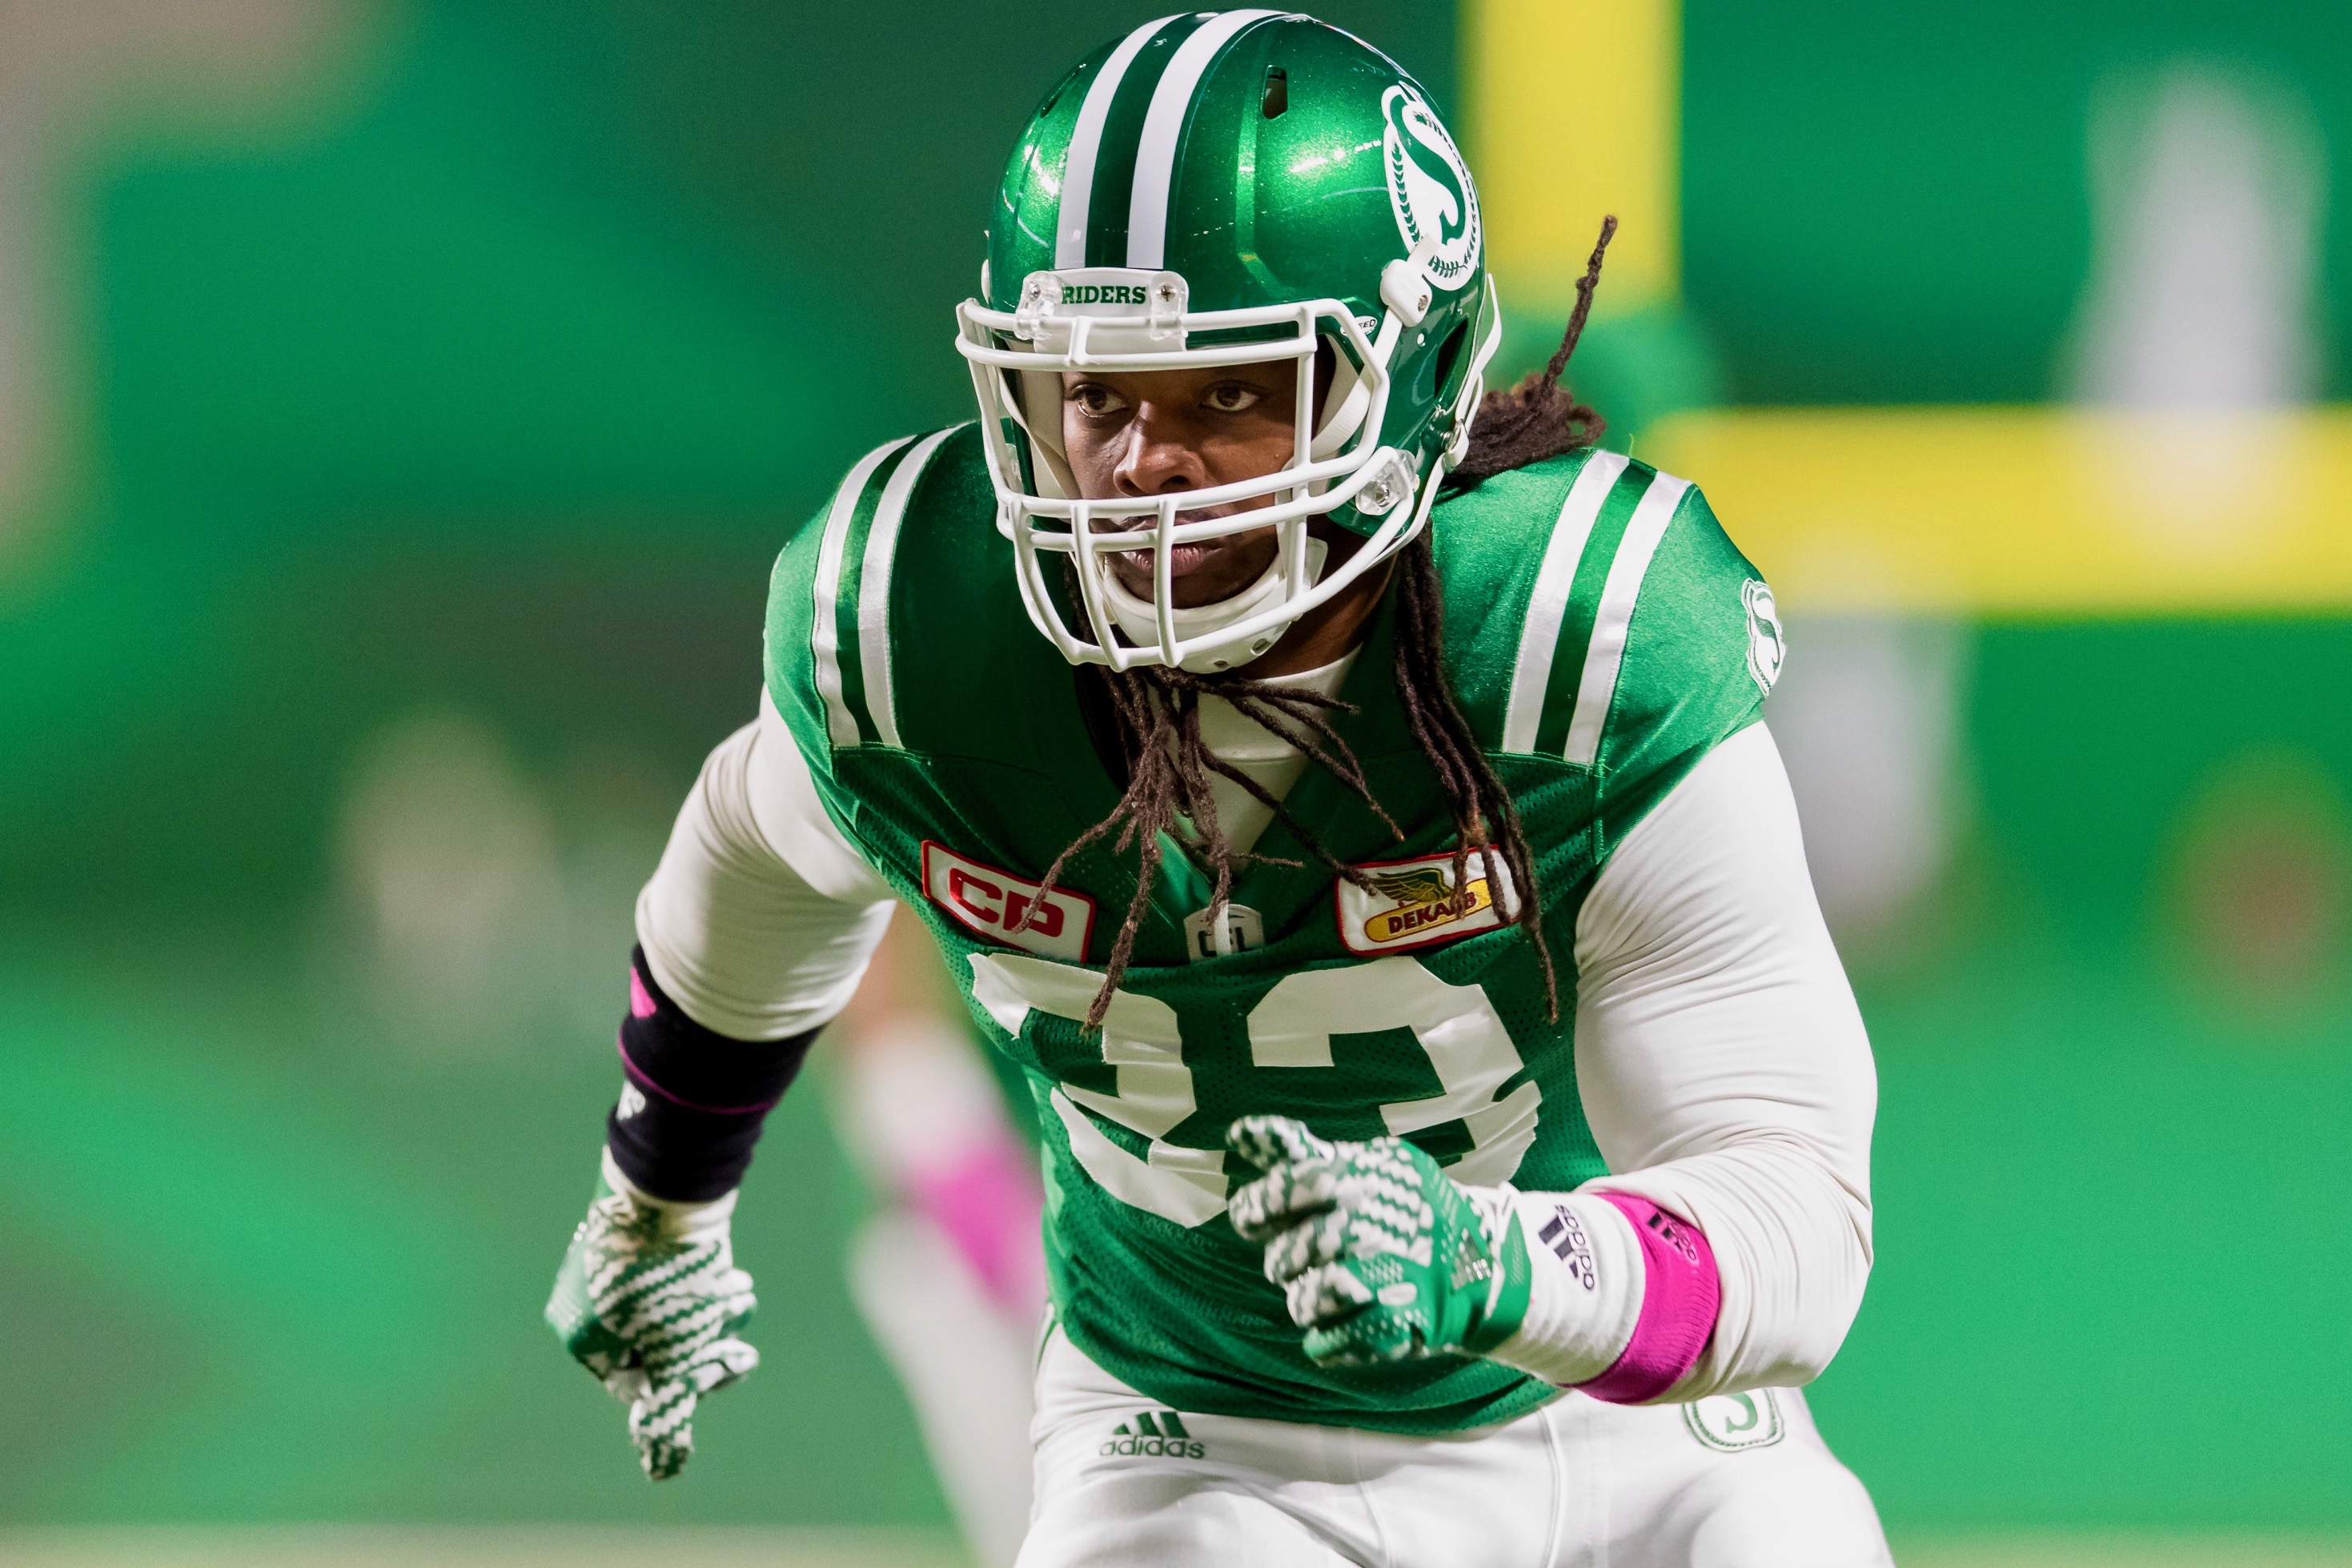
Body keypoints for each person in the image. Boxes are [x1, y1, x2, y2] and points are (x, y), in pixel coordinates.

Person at [547, 14, 1889, 1565]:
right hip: (1198, 1435)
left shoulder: (1571, 640)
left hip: (1611, 1419)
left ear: (1404, 388)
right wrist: (654, 1200)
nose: (1136, 469)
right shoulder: (921, 620)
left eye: (1226, 394)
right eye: (1093, 396)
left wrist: (1488, 1263)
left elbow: (1797, 1226)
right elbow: (750, 857)